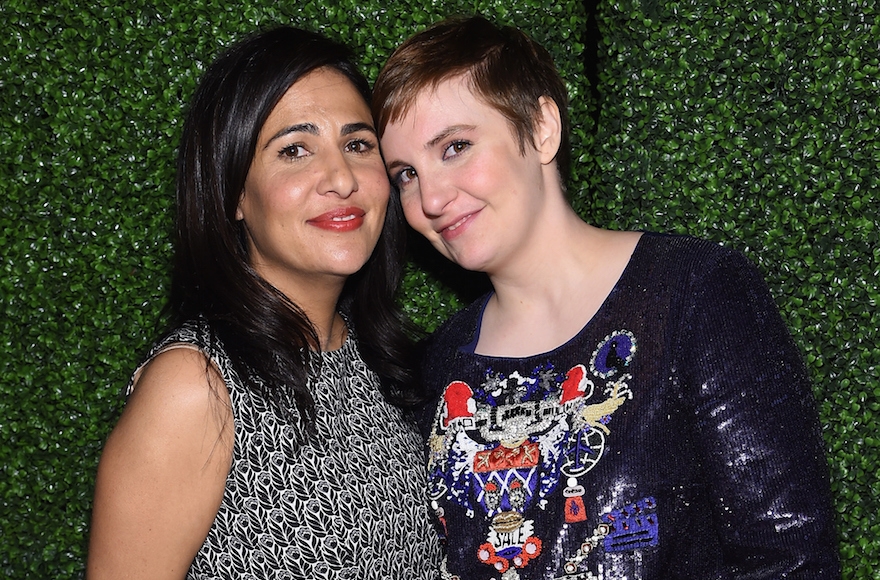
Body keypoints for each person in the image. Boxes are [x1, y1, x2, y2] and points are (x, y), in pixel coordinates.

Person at [373, 15, 840, 580]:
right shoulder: (437, 365)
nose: (432, 198)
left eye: (455, 147)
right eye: (405, 174)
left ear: (542, 128)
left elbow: (791, 560)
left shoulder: (693, 293)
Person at [87, 26, 440, 579]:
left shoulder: (374, 359)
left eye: (357, 144)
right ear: (233, 194)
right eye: (294, 150)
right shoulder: (195, 387)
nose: (341, 178)